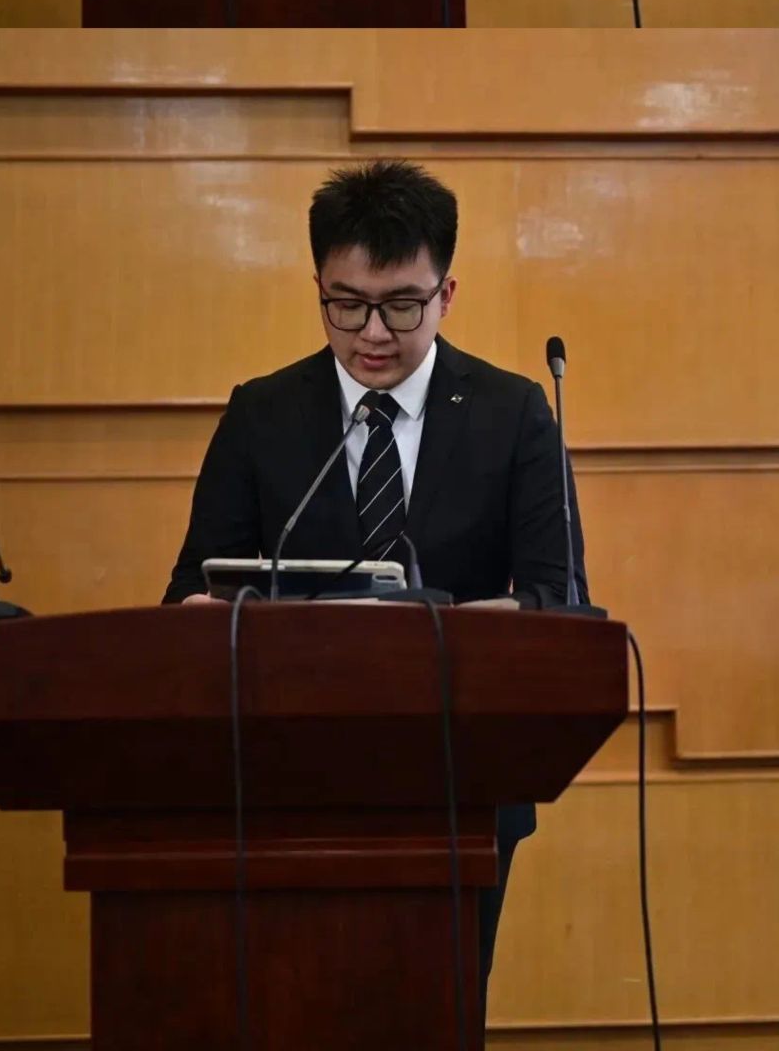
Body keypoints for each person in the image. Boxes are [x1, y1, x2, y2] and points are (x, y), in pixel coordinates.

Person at [163, 157, 585, 988]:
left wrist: (471, 627)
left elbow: (561, 599)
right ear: (319, 289)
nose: (373, 334)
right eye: (347, 305)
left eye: (401, 305)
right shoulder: (262, 414)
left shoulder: (514, 414)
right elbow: (189, 591)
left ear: (446, 294)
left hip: (461, 785)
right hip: (287, 781)